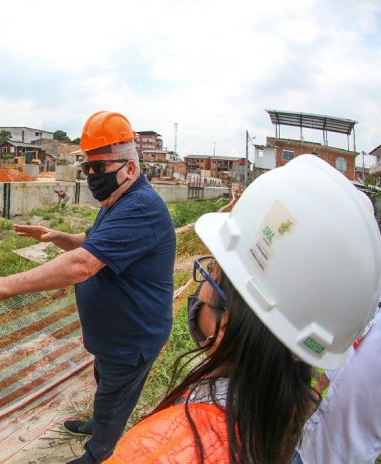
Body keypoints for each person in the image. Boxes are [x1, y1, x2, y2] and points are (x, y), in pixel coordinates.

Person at [104, 154, 381, 464]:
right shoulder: (280, 418)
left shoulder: (160, 449)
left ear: (224, 325)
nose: (202, 286)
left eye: (211, 272)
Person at [0, 111, 176, 464]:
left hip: (133, 337)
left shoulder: (141, 208)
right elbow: (93, 243)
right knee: (103, 381)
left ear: (130, 169)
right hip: (112, 337)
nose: (92, 176)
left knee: (114, 397)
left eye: (100, 167)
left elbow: (83, 264)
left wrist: (4, 286)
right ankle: (97, 423)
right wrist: (59, 236)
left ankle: (98, 453)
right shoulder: (117, 201)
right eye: (87, 168)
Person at [296, 305, 381, 464]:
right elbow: (354, 354)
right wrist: (318, 386)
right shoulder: (375, 314)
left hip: (338, 457)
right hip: (305, 437)